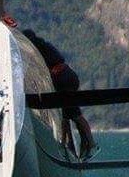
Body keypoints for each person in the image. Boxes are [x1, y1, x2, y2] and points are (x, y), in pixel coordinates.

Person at [23, 29, 99, 160]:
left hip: (64, 79)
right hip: (66, 77)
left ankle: (91, 144)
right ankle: (68, 145)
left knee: (75, 115)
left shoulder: (39, 49)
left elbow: (37, 68)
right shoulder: (44, 46)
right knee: (67, 115)